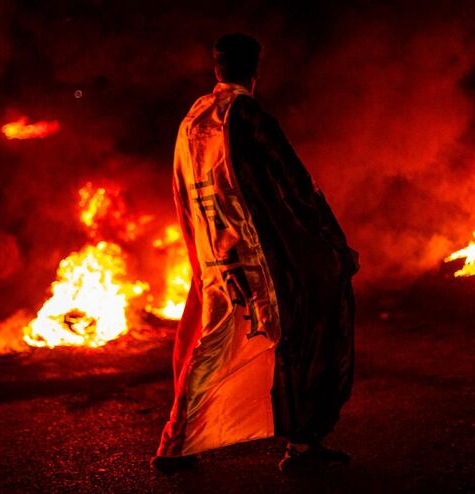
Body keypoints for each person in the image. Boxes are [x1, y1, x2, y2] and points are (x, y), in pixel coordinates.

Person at [151, 33, 359, 476]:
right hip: (264, 256)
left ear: (217, 70)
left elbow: (183, 188)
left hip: (216, 259)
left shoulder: (194, 118)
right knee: (305, 333)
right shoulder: (246, 114)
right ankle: (303, 445)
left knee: (212, 344)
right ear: (255, 73)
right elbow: (295, 185)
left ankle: (176, 443)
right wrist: (331, 244)